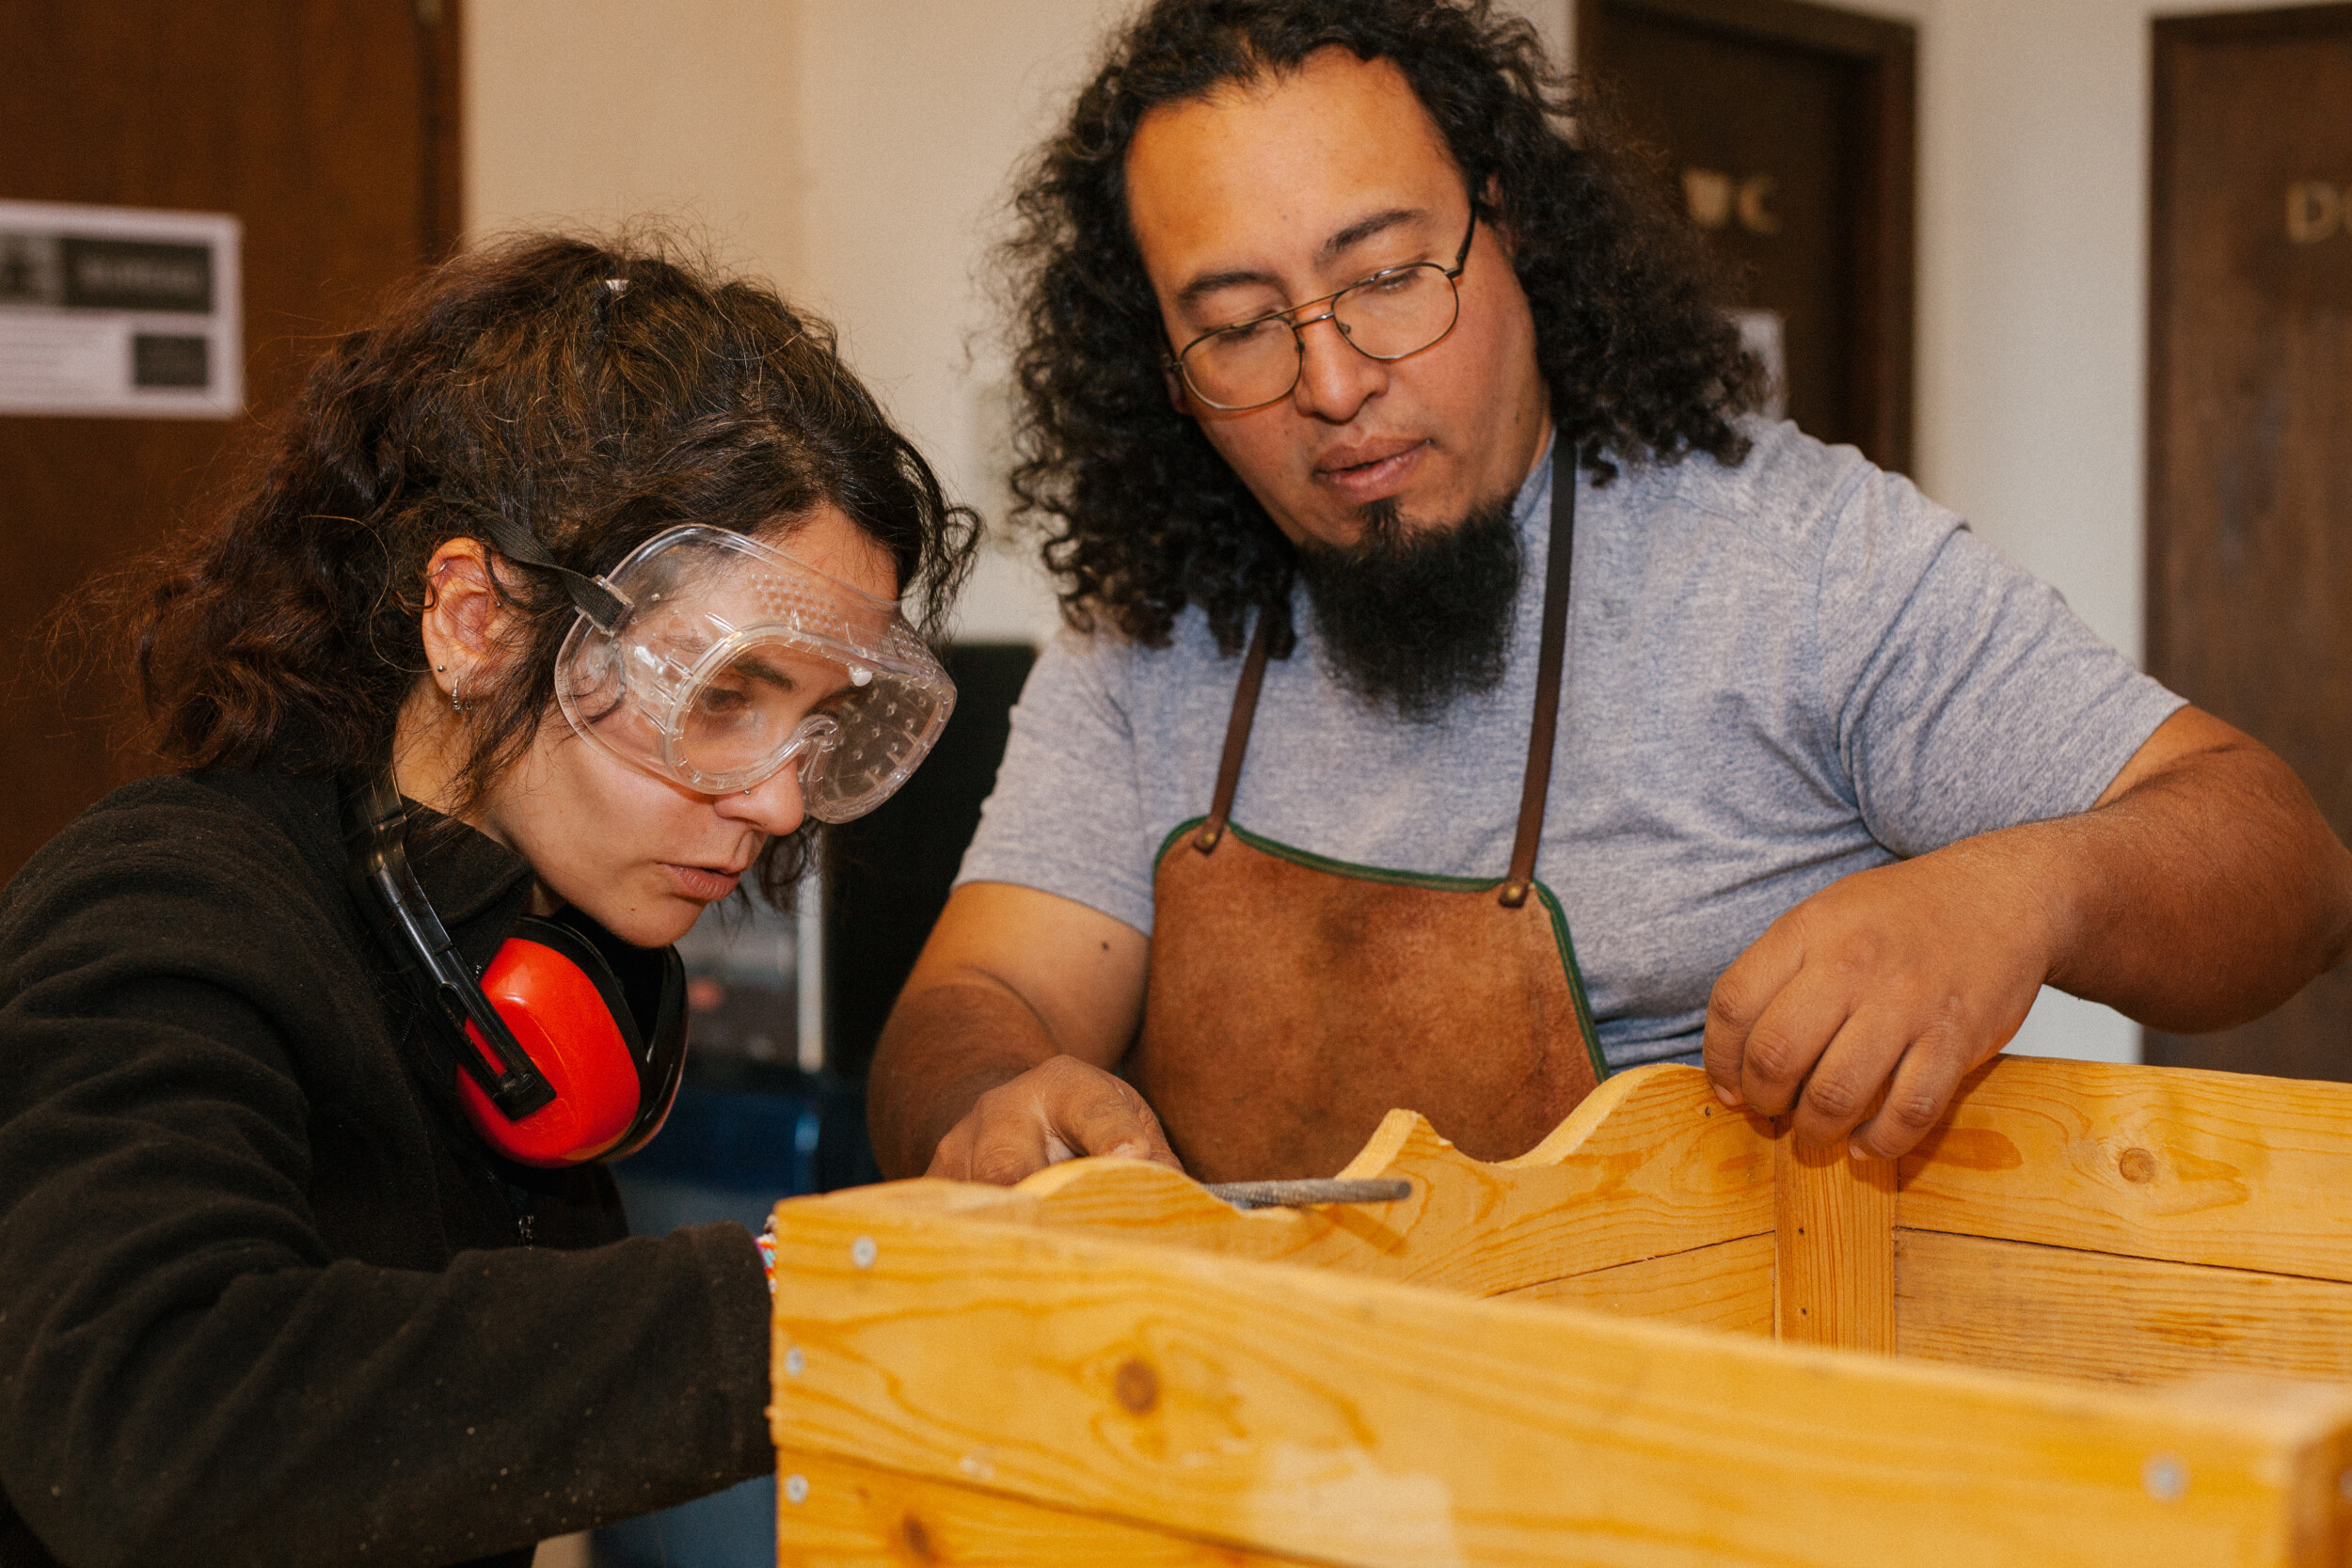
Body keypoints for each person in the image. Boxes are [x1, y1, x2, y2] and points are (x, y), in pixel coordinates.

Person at [867, 0, 2352, 1187]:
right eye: (1241, 326)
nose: (1331, 385)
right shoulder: (1153, 627)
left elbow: (2287, 870)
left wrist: (2028, 891)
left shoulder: (1795, 561)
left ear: (1504, 224)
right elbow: (971, 1006)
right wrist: (996, 1101)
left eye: (1387, 277)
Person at [0, 235, 976, 1567]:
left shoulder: (527, 953)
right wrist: (822, 1306)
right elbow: (146, 1419)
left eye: (819, 728)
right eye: (727, 696)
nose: (781, 805)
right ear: (473, 617)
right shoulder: (167, 906)